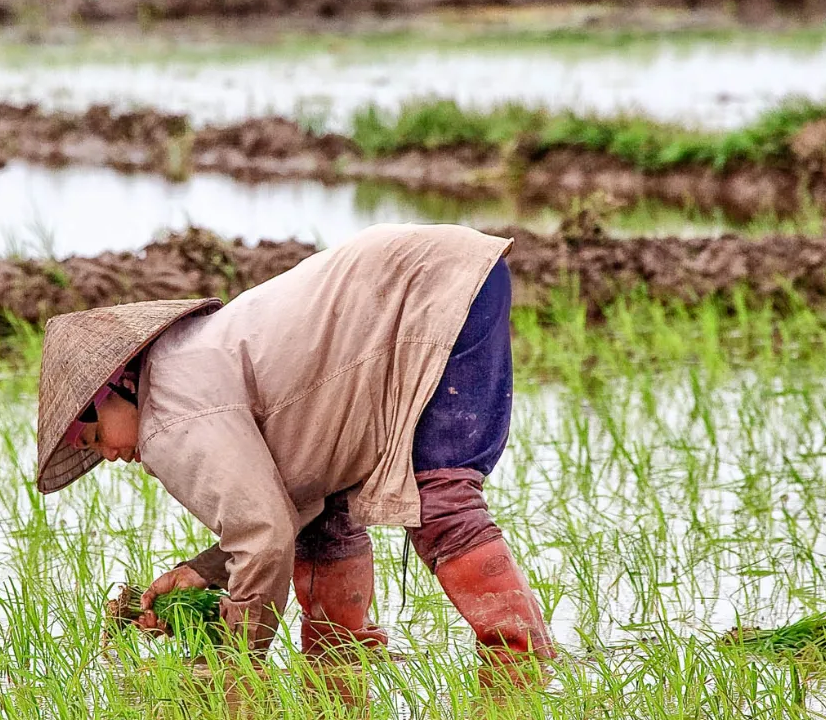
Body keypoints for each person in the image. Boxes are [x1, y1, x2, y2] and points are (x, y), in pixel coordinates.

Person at [35, 222, 553, 661]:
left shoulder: (168, 415)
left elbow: (264, 535)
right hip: (438, 271)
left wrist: (235, 661)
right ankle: (341, 661)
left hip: (426, 289)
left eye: (96, 437)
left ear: (119, 386)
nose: (109, 455)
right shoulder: (182, 364)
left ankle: (523, 661)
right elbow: (287, 511)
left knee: (440, 498)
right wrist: (203, 571)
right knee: (326, 524)